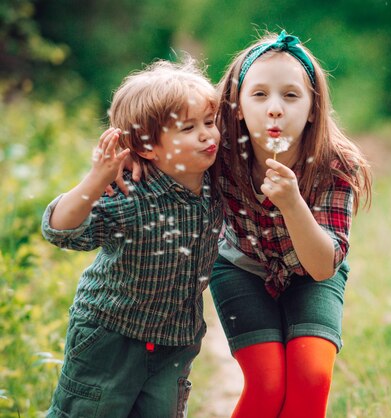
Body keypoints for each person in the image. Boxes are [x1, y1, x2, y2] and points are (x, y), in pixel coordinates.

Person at [41, 57, 222, 417]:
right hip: (110, 337)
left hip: (174, 340)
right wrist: (96, 178)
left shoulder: (218, 186)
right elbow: (59, 230)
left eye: (210, 122)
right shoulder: (129, 195)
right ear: (147, 147)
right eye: (187, 128)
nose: (206, 135)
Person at [211, 30, 372, 417]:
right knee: (268, 386)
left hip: (313, 271)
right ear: (236, 106)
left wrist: (292, 202)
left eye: (291, 95)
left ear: (314, 107)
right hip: (240, 266)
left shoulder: (337, 163)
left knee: (311, 378)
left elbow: (321, 266)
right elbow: (166, 152)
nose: (275, 109)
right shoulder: (219, 153)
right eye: (260, 94)